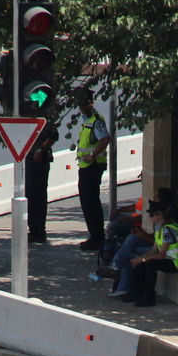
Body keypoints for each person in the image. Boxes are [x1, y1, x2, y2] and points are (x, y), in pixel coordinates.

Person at [124, 204, 178, 307]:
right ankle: (136, 293)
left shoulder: (168, 230)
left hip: (176, 262)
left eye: (152, 214)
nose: (149, 217)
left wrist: (143, 259)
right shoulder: (158, 228)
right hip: (168, 259)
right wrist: (140, 259)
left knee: (150, 264)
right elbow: (154, 249)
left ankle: (149, 298)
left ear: (160, 215)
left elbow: (161, 254)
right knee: (141, 263)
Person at [74, 88, 111, 250]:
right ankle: (95, 236)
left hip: (92, 166)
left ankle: (97, 237)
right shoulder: (87, 121)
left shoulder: (96, 120)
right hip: (86, 166)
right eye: (80, 105)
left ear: (90, 103)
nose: (82, 108)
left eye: (84, 104)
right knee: (87, 202)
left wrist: (93, 155)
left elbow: (105, 139)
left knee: (91, 203)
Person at [25, 121, 60, 242]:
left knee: (38, 196)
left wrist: (40, 150)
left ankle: (38, 231)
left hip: (39, 159)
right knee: (30, 194)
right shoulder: (29, 118)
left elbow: (53, 135)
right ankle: (33, 229)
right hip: (30, 156)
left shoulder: (43, 119)